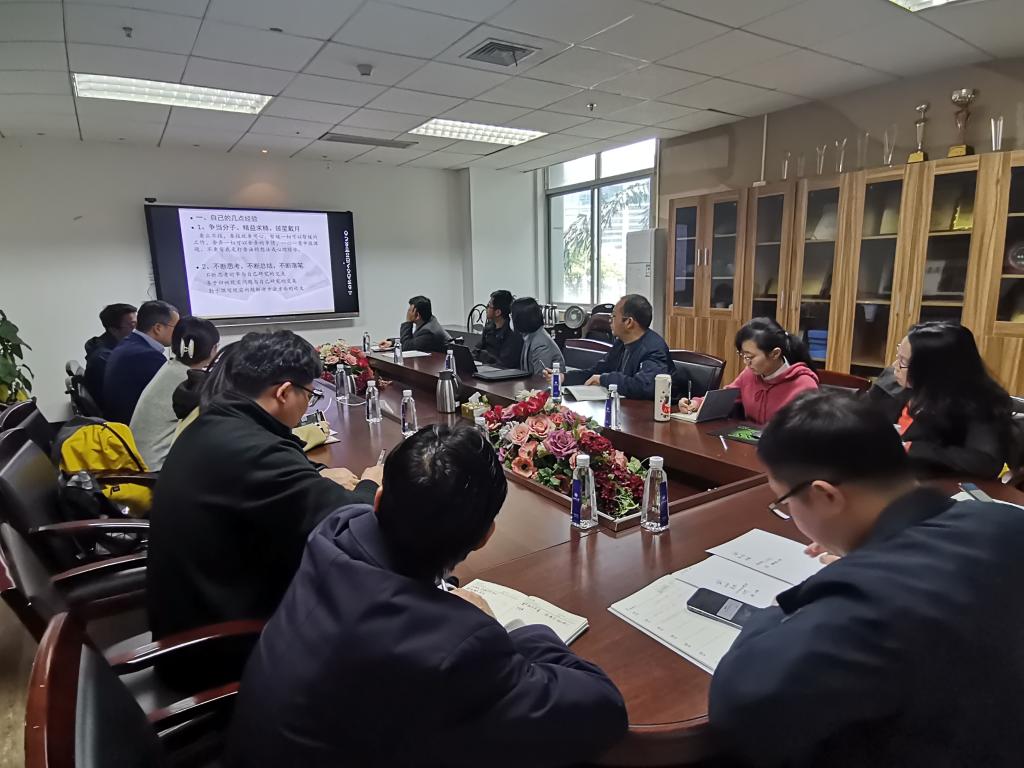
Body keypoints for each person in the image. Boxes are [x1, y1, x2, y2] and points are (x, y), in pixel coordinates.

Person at [226, 423, 627, 768]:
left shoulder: (334, 534)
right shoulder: (457, 647)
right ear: (486, 536)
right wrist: (512, 630)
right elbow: (604, 708)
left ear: (378, 500)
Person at [709, 390, 1024, 767]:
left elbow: (738, 706)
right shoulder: (1007, 520)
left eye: (784, 502)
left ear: (825, 495)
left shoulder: (864, 607)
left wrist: (786, 605)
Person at [146, 330, 383, 690]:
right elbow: (352, 524)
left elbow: (272, 476)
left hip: (194, 619)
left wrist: (316, 474)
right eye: (309, 395)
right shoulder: (254, 452)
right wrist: (370, 484)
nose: (308, 404)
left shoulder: (217, 423)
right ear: (284, 393)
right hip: (220, 652)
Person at [885, 321, 1017, 478]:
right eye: (898, 356)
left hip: (934, 483)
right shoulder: (892, 382)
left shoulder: (979, 404)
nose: (895, 366)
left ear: (933, 369)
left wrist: (913, 449)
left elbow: (985, 461)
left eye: (903, 362)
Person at [679, 317, 818, 424]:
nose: (746, 363)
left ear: (775, 353)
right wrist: (696, 403)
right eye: (743, 356)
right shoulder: (750, 374)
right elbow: (724, 397)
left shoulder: (804, 385)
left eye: (750, 357)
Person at [129, 316, 219, 471]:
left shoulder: (171, 368)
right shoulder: (189, 383)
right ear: (213, 349)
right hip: (156, 469)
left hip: (141, 462)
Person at [561, 294, 680, 400]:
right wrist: (564, 377)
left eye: (613, 316)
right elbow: (597, 372)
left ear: (629, 322)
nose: (610, 321)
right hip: (626, 407)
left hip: (648, 412)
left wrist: (604, 379)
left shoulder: (654, 348)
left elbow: (644, 386)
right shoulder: (621, 343)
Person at [102, 300, 179, 424]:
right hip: (137, 427)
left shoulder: (129, 343)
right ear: (158, 328)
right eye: (176, 327)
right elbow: (174, 395)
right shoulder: (147, 356)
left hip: (121, 420)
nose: (179, 332)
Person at [82, 303, 136, 408]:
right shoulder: (105, 358)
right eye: (133, 325)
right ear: (113, 330)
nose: (138, 330)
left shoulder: (105, 347)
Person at [379, 295, 452, 353]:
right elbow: (413, 341)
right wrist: (392, 342)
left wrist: (408, 322)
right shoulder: (428, 322)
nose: (408, 313)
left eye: (410, 311)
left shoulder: (429, 331)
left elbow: (406, 347)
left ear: (417, 315)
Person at [511, 297, 564, 375]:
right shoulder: (530, 335)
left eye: (512, 315)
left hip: (551, 382)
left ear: (521, 319)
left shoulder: (541, 344)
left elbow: (541, 378)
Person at [473, 289, 523, 369]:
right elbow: (476, 350)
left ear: (498, 312)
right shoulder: (489, 328)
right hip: (486, 369)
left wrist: (485, 356)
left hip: (502, 373)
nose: (486, 308)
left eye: (489, 305)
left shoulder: (511, 333)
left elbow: (505, 364)